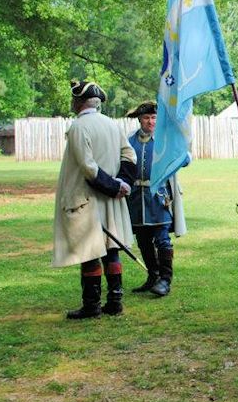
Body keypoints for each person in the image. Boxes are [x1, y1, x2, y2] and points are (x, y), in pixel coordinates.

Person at [52, 80, 136, 319]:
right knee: (111, 249)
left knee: (89, 253)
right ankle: (115, 301)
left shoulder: (78, 127)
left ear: (78, 101)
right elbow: (129, 156)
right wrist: (122, 183)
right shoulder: (111, 124)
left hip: (87, 198)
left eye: (73, 99)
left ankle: (92, 305)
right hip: (110, 198)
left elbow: (88, 168)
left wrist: (115, 186)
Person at [125, 101, 188, 297]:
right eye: (146, 118)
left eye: (154, 118)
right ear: (139, 119)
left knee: (162, 239)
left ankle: (165, 280)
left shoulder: (165, 140)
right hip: (137, 199)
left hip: (159, 198)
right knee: (143, 240)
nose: (151, 121)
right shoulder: (130, 140)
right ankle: (153, 276)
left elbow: (185, 159)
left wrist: (179, 152)